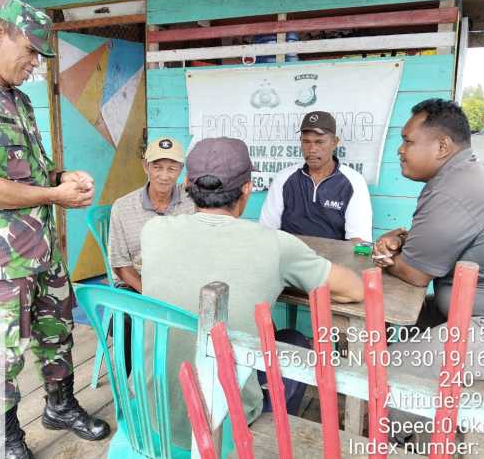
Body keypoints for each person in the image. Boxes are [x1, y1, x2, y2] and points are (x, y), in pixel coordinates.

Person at [0, 0, 110, 459]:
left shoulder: (19, 102)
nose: (35, 64)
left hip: (41, 249)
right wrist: (54, 195)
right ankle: (7, 437)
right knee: (1, 355)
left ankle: (60, 406)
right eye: (30, 50)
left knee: (57, 333)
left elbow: (32, 168)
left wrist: (62, 176)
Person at [141, 137, 364, 448]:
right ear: (247, 189)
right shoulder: (276, 244)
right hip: (226, 421)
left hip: (151, 411)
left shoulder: (153, 231)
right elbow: (354, 290)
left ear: (188, 184)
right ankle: (266, 440)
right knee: (296, 342)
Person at [373, 99, 484, 447]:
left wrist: (386, 256)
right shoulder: (458, 178)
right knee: (404, 335)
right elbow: (433, 245)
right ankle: (416, 436)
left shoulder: (455, 189)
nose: (400, 149)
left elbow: (415, 273)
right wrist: (402, 240)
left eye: (408, 141)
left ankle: (385, 444)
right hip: (482, 317)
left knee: (392, 371)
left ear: (442, 146)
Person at [259, 111, 372, 242]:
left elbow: (358, 240)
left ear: (334, 142)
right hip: (289, 257)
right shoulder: (284, 178)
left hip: (332, 259)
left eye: (319, 142)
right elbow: (267, 230)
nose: (312, 149)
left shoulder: (353, 182)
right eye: (306, 142)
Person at [108, 137, 195, 292]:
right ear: (145, 167)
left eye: (172, 169)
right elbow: (119, 265)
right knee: (124, 314)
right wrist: (150, 295)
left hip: (179, 283)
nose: (164, 176)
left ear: (181, 169)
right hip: (136, 284)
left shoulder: (192, 201)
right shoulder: (122, 207)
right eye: (157, 167)